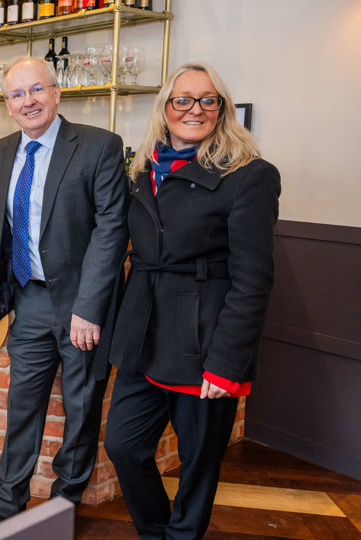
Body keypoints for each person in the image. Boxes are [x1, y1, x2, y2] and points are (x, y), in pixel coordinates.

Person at [0, 56, 129, 537]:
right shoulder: (2, 150)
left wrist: (88, 308)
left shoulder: (98, 146)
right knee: (22, 404)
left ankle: (61, 508)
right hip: (27, 300)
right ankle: (7, 505)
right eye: (16, 95)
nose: (27, 101)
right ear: (6, 104)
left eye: (36, 90)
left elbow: (112, 231)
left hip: (82, 304)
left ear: (56, 92)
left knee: (81, 404)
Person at [104, 63, 281, 540]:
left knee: (198, 463)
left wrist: (227, 364)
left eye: (207, 100)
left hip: (203, 341)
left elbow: (253, 281)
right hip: (143, 333)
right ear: (165, 108)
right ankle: (157, 532)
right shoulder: (143, 168)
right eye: (182, 99)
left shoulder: (250, 175)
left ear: (221, 110)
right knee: (123, 445)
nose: (194, 109)